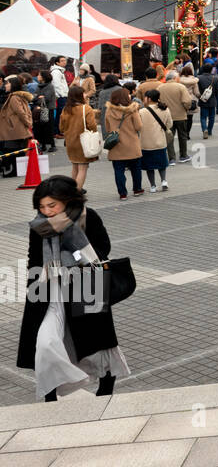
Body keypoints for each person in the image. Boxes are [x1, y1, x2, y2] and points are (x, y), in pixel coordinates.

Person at [16, 176, 129, 401]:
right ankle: (50, 392)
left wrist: (75, 253)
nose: (46, 211)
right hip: (51, 290)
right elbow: (34, 258)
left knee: (96, 343)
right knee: (46, 342)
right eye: (41, 206)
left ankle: (106, 383)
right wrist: (33, 287)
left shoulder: (88, 217)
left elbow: (103, 249)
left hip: (85, 285)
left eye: (52, 205)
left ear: (67, 201)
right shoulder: (38, 226)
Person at [103, 87, 144, 199]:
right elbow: (139, 126)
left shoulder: (109, 110)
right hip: (132, 144)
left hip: (116, 145)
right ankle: (137, 189)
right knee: (136, 169)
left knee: (118, 170)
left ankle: (122, 193)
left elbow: (107, 128)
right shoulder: (132, 110)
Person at [59, 84, 98, 189]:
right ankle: (76, 192)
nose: (85, 95)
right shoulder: (86, 108)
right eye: (84, 93)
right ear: (79, 96)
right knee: (82, 168)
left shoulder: (66, 109)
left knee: (75, 166)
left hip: (70, 142)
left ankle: (72, 189)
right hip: (83, 142)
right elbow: (92, 126)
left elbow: (61, 128)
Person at [138, 89, 173, 193]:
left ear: (148, 98)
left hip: (146, 143)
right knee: (161, 164)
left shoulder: (142, 111)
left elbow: (138, 126)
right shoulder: (165, 109)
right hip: (160, 141)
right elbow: (169, 124)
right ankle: (164, 181)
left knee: (149, 166)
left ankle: (153, 186)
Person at [0, 76, 34, 178]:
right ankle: (16, 171)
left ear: (13, 85)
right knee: (16, 150)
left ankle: (14, 171)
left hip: (15, 129)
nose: (5, 85)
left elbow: (21, 113)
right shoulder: (16, 96)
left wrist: (28, 123)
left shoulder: (14, 97)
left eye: (7, 83)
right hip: (15, 129)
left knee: (13, 150)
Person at [158, 70, 193, 164]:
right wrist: (186, 109)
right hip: (181, 115)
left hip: (166, 116)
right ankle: (183, 155)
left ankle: (171, 158)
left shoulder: (160, 88)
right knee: (183, 136)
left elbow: (157, 102)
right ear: (174, 78)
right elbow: (187, 101)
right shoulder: (181, 87)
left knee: (169, 137)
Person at [196, 64, 218, 139]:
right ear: (211, 69)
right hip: (212, 100)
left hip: (203, 100)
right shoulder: (215, 78)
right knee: (212, 117)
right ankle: (209, 131)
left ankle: (204, 129)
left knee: (203, 117)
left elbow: (197, 89)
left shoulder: (199, 78)